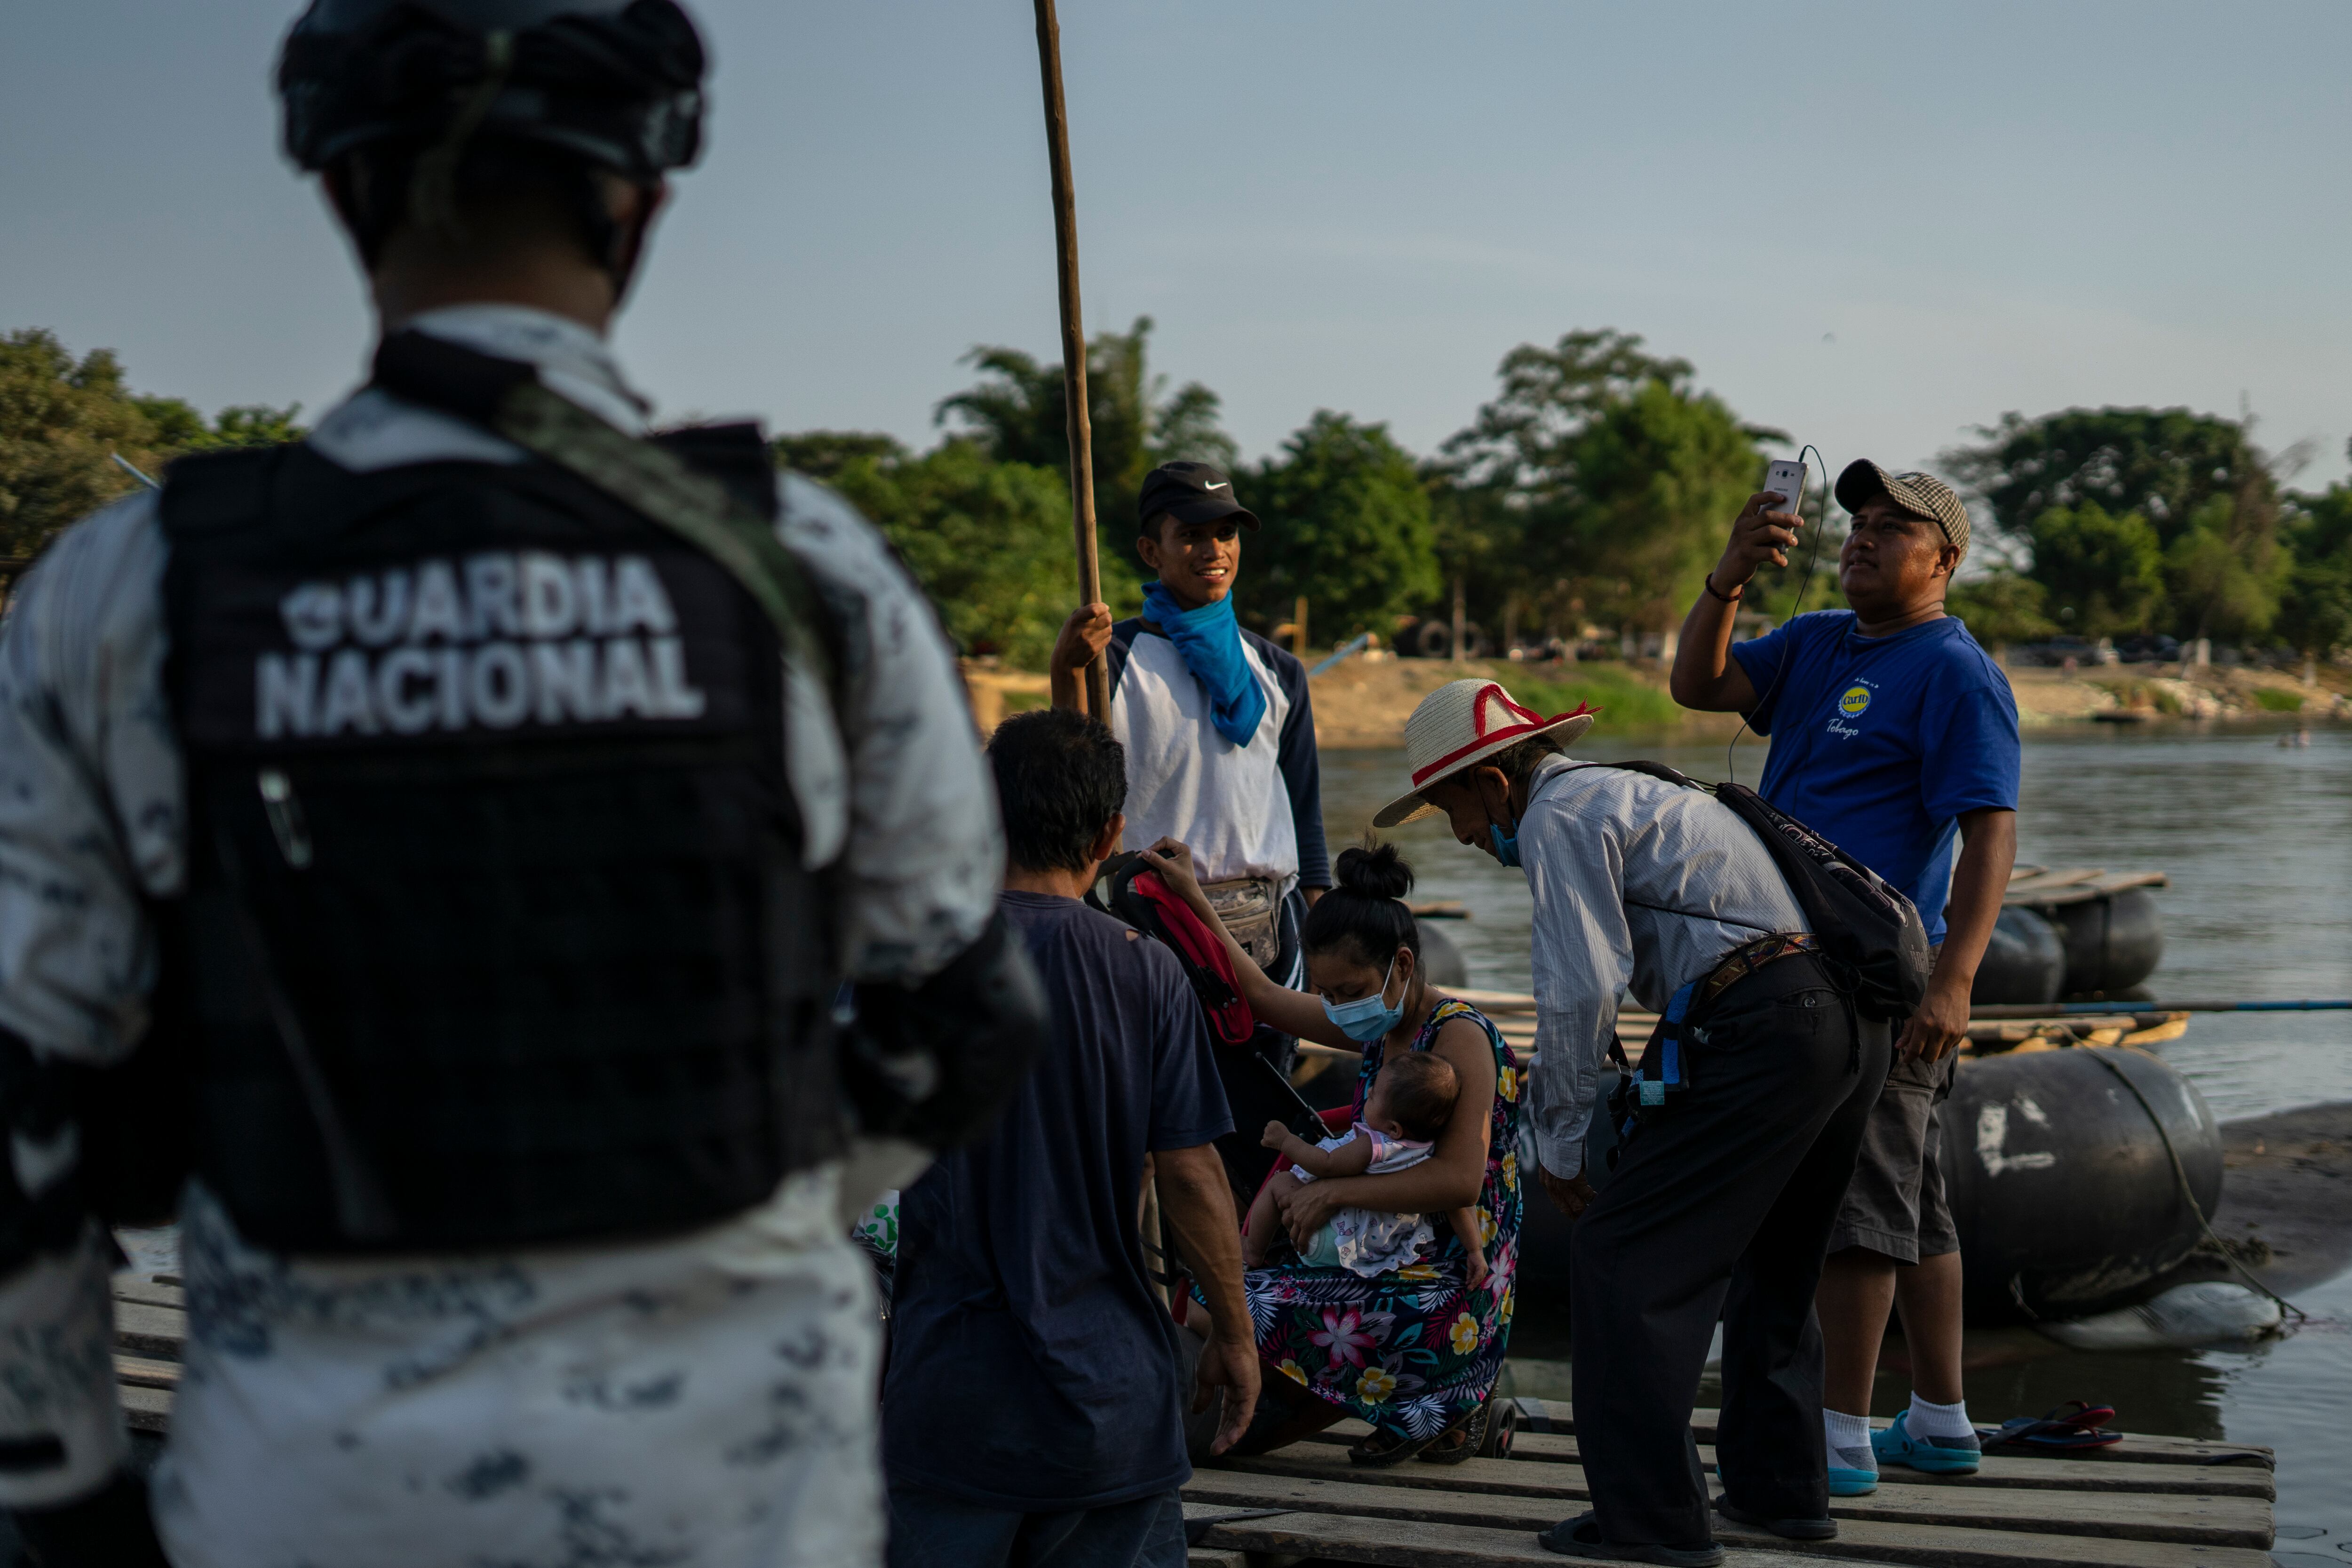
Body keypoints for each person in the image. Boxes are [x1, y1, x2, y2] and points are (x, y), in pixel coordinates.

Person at [0, 4, 1036, 1563]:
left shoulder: (124, 594)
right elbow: (966, 1026)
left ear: (343, 196)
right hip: (743, 1510)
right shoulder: (806, 575)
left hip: (300, 1508)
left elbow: (24, 1108)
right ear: (640, 208)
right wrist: (748, 1184)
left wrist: (69, 1499)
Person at [1379, 677, 1892, 1566]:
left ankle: (1649, 1520)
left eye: (1452, 806)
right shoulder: (1635, 789)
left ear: (1495, 782)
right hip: (1842, 1020)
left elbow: (1580, 989)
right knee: (1775, 1256)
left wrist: (1562, 1144)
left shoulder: (1560, 814)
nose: (1462, 834)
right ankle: (1782, 1493)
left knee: (1624, 1258)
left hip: (1768, 1024)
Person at [1669, 462, 2018, 1495]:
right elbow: (1699, 687)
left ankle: (1837, 1438)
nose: (1861, 537)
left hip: (1875, 969)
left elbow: (1989, 830)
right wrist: (1728, 576)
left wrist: (1954, 979)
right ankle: (1943, 1420)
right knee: (1918, 1200)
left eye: (1891, 528)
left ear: (1943, 560)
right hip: (1795, 954)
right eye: (1855, 522)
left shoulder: (1956, 670)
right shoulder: (1820, 636)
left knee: (1859, 1204)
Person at [884, 708, 1257, 1568]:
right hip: (1106, 1402)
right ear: (1113, 832)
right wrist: (1235, 1333)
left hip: (947, 1403)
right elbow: (1194, 1175)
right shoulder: (1145, 968)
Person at [1138, 837, 1521, 1467]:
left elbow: (1459, 1182)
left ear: (1402, 965)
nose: (1339, 1008)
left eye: (1349, 990)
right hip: (1378, 1253)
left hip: (1448, 1286)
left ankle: (1439, 1394)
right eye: (1328, 993)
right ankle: (1403, 1402)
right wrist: (1191, 898)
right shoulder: (1378, 1024)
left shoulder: (1458, 1037)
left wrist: (1331, 1190)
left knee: (1234, 1311)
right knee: (1215, 1295)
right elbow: (1261, 995)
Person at [1051, 463, 1331, 1043]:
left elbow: (1304, 812)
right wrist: (1067, 668)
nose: (1214, 550)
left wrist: (1324, 927)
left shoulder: (1278, 672)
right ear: (1151, 551)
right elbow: (1071, 782)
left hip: (1269, 931)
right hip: (1153, 924)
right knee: (1169, 1110)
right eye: (1192, 536)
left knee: (1261, 1116)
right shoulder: (1114, 659)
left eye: (1225, 534)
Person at [1249, 1055, 1490, 1289]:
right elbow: (1457, 1205)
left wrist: (1286, 1141)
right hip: (1378, 1250)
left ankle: (1253, 1250)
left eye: (1373, 1098)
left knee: (1280, 1183)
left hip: (1330, 1237)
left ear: (1394, 1129)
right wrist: (1475, 1251)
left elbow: (1327, 1164)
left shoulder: (1374, 1144)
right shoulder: (1430, 1153)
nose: (1368, 1096)